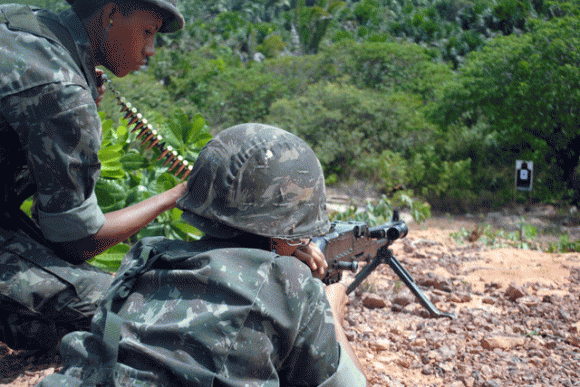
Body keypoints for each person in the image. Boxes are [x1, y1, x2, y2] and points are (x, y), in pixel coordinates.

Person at [37, 123, 367, 387]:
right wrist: (330, 308)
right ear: (284, 233)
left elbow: (109, 337)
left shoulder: (148, 256)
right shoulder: (288, 281)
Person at [0, 0, 187, 351]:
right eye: (147, 32)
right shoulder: (61, 91)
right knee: (124, 313)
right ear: (111, 14)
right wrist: (175, 195)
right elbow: (75, 243)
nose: (151, 51)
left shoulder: (22, 21)